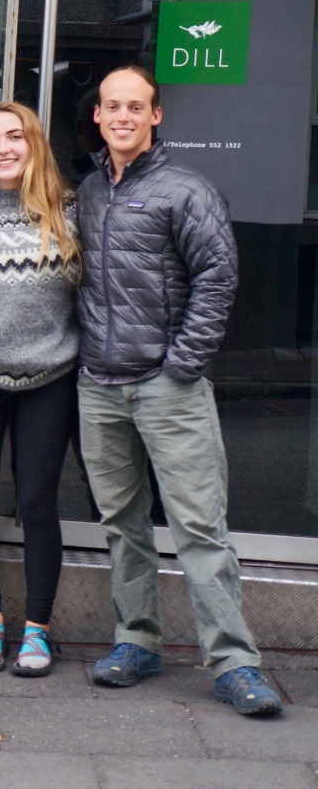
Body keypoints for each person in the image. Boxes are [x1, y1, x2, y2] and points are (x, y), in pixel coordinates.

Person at [77, 66, 282, 716]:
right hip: (99, 385)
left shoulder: (185, 189)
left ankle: (234, 661)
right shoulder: (88, 191)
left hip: (167, 386)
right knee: (122, 525)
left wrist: (182, 365)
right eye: (113, 107)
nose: (123, 117)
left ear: (156, 115)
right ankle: (136, 641)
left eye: (135, 107)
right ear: (98, 116)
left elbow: (218, 278)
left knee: (198, 526)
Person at [0, 101, 80, 677]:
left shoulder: (70, 213)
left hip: (50, 377)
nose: (2, 148)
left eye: (14, 137)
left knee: (36, 504)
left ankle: (37, 631)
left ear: (34, 144)